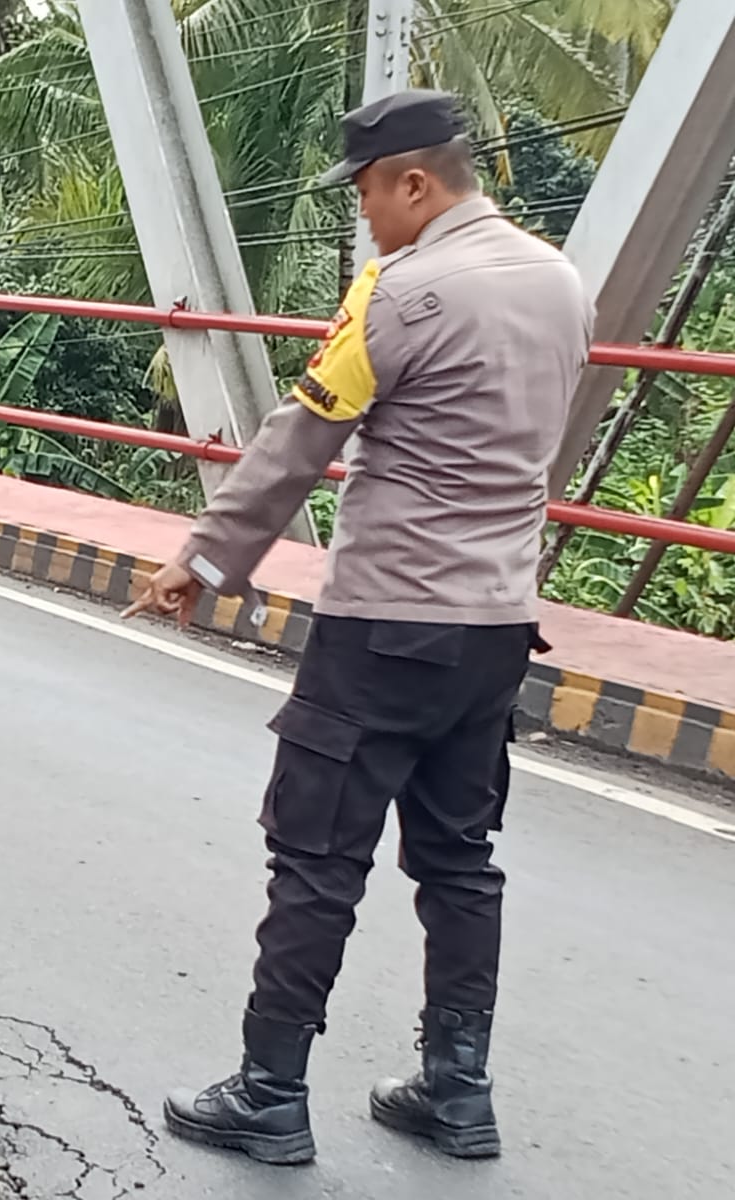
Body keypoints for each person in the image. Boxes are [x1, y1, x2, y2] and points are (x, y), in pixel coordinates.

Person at [124, 91, 593, 1166]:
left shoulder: (402, 291)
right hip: (495, 629)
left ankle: (269, 1091)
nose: (366, 218)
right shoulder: (559, 281)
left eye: (372, 195)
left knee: (317, 860)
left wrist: (199, 558)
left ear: (416, 182)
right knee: (460, 860)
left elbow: (297, 443)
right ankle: (456, 1088)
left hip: (384, 625)